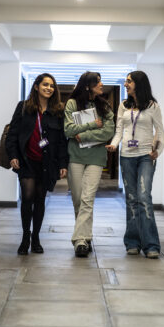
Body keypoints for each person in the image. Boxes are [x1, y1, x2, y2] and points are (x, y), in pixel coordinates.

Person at [6, 73, 68, 255]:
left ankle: (36, 238)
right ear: (36, 87)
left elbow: (62, 141)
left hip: (47, 163)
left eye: (51, 86)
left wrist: (63, 163)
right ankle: (25, 236)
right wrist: (13, 155)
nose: (49, 88)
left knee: (40, 200)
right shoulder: (24, 107)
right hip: (26, 161)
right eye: (45, 85)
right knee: (27, 198)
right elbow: (12, 134)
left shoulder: (58, 111)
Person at [106, 71, 164, 258]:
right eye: (125, 81)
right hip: (126, 156)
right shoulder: (124, 105)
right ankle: (132, 242)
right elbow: (119, 131)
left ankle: (151, 245)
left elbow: (161, 133)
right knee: (131, 198)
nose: (125, 84)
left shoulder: (153, 106)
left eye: (129, 81)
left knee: (144, 197)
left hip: (145, 156)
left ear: (139, 83)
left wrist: (157, 150)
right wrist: (114, 145)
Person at [64, 72, 115, 257]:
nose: (101, 84)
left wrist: (83, 135)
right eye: (98, 82)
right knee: (78, 199)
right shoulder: (72, 104)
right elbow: (69, 130)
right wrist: (93, 124)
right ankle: (85, 236)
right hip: (75, 157)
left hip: (96, 158)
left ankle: (79, 241)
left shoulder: (105, 105)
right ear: (87, 85)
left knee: (88, 199)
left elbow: (108, 132)